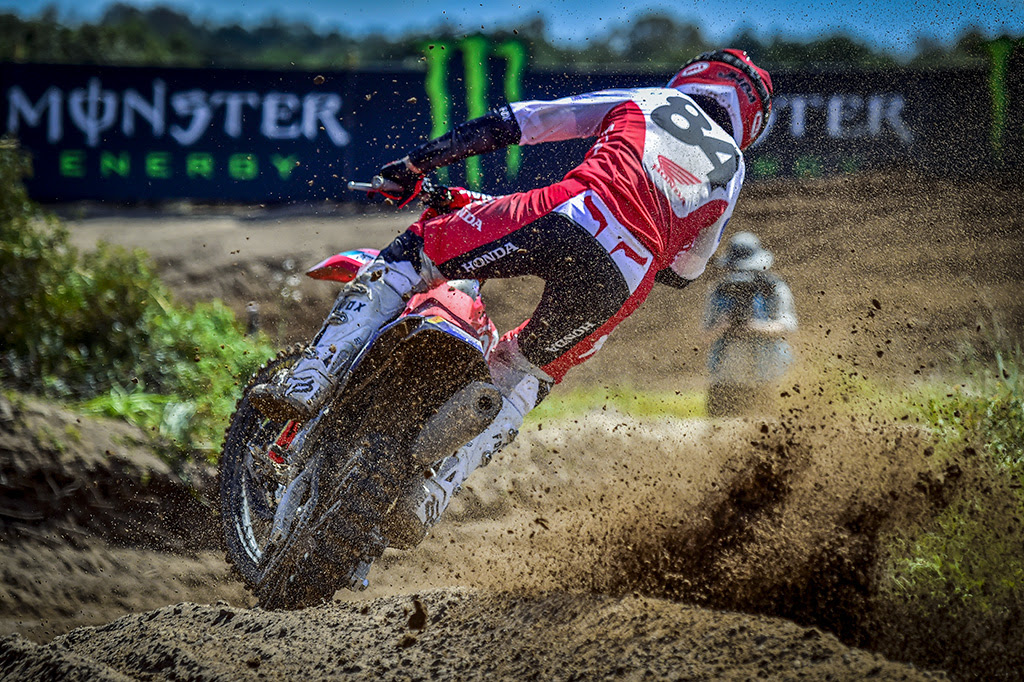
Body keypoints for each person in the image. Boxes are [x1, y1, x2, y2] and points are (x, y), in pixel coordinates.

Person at [251, 49, 774, 542]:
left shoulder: (654, 99)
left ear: (698, 76)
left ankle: (311, 377)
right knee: (524, 376)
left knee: (414, 253)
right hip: (626, 277)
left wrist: (417, 165)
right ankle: (432, 493)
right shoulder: (732, 169)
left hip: (571, 210)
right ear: (749, 118)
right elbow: (686, 270)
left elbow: (523, 120)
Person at [702, 231, 797, 416]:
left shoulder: (774, 288)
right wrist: (723, 325)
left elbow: (787, 326)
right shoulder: (719, 291)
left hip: (767, 373)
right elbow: (704, 336)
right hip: (726, 376)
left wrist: (755, 327)